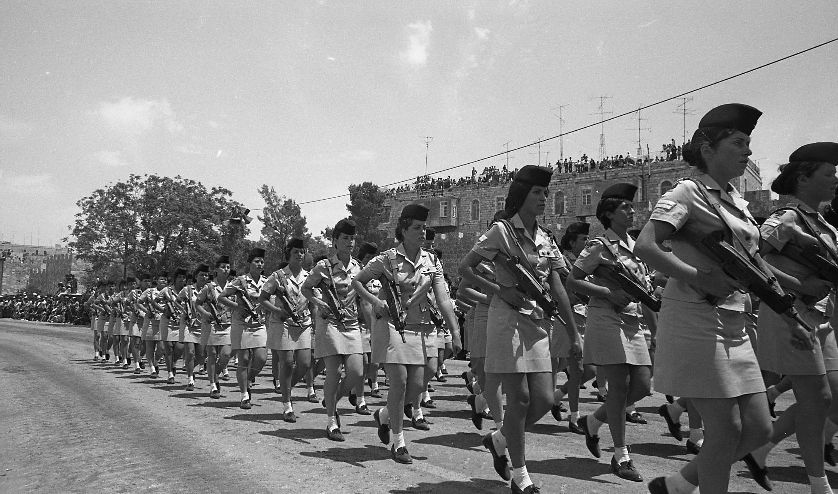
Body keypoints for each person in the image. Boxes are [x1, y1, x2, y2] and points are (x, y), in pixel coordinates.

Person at [636, 103, 781, 494]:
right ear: (707, 148)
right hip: (698, 317)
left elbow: (753, 263)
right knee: (726, 430)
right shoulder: (688, 191)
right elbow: (646, 245)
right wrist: (699, 276)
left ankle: (678, 484)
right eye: (738, 143)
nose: (748, 152)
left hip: (736, 320)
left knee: (759, 427)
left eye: (749, 144)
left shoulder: (738, 202)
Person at [459, 165, 582, 493]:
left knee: (543, 400)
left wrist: (574, 332)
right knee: (522, 400)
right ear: (522, 195)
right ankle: (520, 475)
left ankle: (499, 440)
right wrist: (500, 290)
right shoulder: (502, 231)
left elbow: (558, 287)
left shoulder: (545, 239)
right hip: (508, 321)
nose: (543, 198)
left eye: (545, 193)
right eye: (537, 193)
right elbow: (465, 268)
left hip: (538, 324)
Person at [744, 142, 838, 494]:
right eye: (828, 174)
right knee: (821, 399)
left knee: (826, 400)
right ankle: (819, 484)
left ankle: (763, 451)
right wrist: (799, 284)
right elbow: (751, 257)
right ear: (803, 178)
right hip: (791, 313)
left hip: (821, 317)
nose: (835, 180)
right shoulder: (785, 218)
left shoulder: (821, 224)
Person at [354, 204, 463, 464]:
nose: (422, 231)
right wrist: (374, 301)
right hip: (392, 327)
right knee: (400, 382)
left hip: (419, 329)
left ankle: (383, 416)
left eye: (424, 227)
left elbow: (444, 299)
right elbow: (358, 281)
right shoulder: (386, 258)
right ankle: (399, 442)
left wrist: (455, 331)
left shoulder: (431, 260)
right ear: (403, 230)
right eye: (417, 227)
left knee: (416, 388)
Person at [568, 183, 654, 482]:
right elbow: (573, 280)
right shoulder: (599, 246)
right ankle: (621, 455)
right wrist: (606, 292)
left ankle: (592, 421)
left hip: (634, 321)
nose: (632, 211)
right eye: (625, 208)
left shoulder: (636, 245)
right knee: (618, 389)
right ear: (609, 214)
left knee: (642, 385)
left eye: (631, 207)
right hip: (606, 318)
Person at [302, 219, 364, 441]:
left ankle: (332, 399)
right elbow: (306, 288)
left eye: (352, 238)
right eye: (345, 238)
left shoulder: (358, 267)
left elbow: (362, 294)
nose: (349, 242)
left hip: (351, 323)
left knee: (357, 372)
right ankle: (331, 421)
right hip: (329, 324)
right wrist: (319, 303)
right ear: (335, 241)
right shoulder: (324, 266)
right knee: (334, 372)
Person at [259, 238, 314, 423]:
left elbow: (313, 301)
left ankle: (286, 387)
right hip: (282, 323)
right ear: (288, 254)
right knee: (288, 362)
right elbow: (263, 298)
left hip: (304, 323)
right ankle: (287, 404)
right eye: (296, 252)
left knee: (305, 364)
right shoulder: (278, 276)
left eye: (302, 251)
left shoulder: (310, 276)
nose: (299, 255)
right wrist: (277, 310)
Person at [553, 221, 596, 433]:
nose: (586, 242)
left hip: (584, 317)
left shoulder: (584, 262)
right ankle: (575, 417)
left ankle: (557, 396)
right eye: (582, 239)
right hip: (569, 317)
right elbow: (566, 292)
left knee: (591, 370)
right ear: (571, 242)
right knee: (577, 370)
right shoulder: (563, 263)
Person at [218, 247, 269, 409]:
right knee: (244, 359)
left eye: (262, 261)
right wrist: (237, 307)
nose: (260, 264)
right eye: (256, 261)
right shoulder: (240, 281)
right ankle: (244, 395)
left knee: (261, 358)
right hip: (241, 325)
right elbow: (222, 297)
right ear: (249, 263)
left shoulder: (267, 281)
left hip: (259, 324)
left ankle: (248, 378)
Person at [196, 255, 233, 399]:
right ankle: (213, 384)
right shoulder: (209, 287)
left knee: (226, 354)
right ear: (217, 269)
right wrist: (205, 314)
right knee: (211, 354)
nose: (226, 269)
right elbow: (197, 304)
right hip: (211, 325)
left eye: (228, 267)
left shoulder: (232, 286)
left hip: (228, 325)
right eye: (223, 267)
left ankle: (216, 374)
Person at [179, 265, 208, 391]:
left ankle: (191, 368)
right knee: (190, 352)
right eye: (201, 275)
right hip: (189, 325)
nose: (204, 277)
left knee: (201, 355)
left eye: (206, 275)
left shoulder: (210, 289)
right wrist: (184, 310)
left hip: (204, 325)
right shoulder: (188, 290)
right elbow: (177, 301)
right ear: (196, 276)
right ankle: (190, 378)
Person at [158, 268, 187, 384]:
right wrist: (162, 310)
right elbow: (155, 301)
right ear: (175, 278)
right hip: (167, 321)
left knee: (180, 347)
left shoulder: (187, 290)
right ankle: (170, 373)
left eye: (183, 278)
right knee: (168, 347)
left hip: (181, 322)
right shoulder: (167, 290)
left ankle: (173, 363)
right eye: (179, 277)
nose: (181, 279)